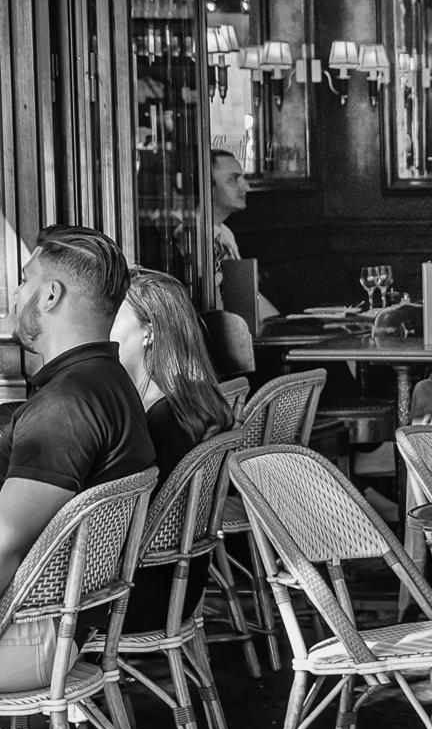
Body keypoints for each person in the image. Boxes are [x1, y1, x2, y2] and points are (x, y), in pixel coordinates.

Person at [0, 225, 154, 690]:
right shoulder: (104, 380)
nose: (15, 291)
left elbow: (4, 542)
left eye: (24, 280)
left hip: (30, 639)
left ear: (49, 296)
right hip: (67, 625)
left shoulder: (66, 406)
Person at [109, 267, 235, 632]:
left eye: (112, 319)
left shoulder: (166, 419)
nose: (99, 331)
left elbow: (121, 525)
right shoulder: (190, 399)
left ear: (149, 331)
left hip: (133, 597)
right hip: (177, 587)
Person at [211, 148, 279, 320]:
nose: (246, 186)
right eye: (234, 179)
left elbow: (244, 296)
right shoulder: (191, 236)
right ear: (205, 185)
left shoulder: (225, 233)